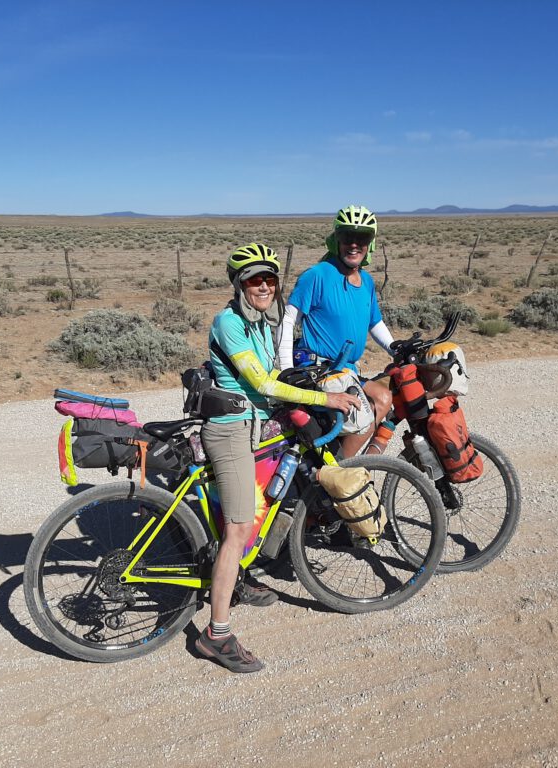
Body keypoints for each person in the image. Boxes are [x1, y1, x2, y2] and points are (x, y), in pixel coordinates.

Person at [196, 243, 359, 674]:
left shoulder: (266, 322)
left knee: (270, 495)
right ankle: (216, 635)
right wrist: (325, 397)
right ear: (239, 285)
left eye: (269, 279)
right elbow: (262, 383)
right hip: (231, 430)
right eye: (254, 280)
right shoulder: (229, 322)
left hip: (257, 426)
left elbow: (281, 371)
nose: (264, 286)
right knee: (238, 527)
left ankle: (240, 576)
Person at [278, 205, 395, 457]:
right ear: (336, 240)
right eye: (347, 238)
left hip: (347, 371)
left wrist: (395, 348)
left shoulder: (366, 281)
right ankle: (341, 473)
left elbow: (374, 322)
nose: (354, 245)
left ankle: (357, 467)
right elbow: (288, 320)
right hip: (321, 370)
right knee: (363, 413)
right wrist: (286, 369)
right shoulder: (318, 275)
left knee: (384, 399)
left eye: (362, 238)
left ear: (370, 244)